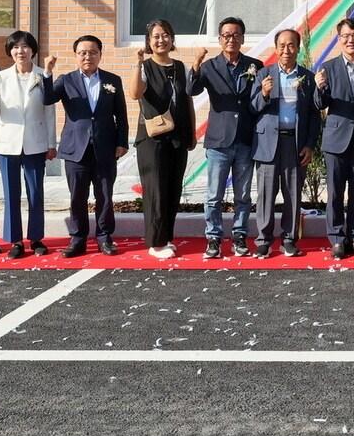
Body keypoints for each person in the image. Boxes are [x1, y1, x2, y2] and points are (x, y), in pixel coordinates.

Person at [43, 35, 129, 257]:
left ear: (100, 54)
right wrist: (47, 73)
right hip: (75, 149)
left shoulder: (112, 80)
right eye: (82, 52)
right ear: (76, 56)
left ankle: (104, 237)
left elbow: (121, 114)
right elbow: (47, 98)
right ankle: (78, 238)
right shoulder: (66, 80)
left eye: (92, 52)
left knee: (105, 196)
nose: (87, 56)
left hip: (105, 148)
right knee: (77, 197)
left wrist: (122, 142)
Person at [189, 16, 262, 259]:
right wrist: (196, 63)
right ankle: (213, 238)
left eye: (236, 35)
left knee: (243, 195)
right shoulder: (209, 66)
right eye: (226, 35)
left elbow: (258, 100)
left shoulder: (255, 65)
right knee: (214, 195)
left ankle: (240, 236)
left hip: (245, 139)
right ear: (220, 39)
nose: (231, 39)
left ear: (242, 38)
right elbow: (191, 90)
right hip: (219, 140)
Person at [0, 30, 57, 259]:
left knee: (35, 192)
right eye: (15, 47)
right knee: (11, 194)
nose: (20, 51)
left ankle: (36, 238)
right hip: (8, 143)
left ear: (32, 50)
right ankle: (15, 241)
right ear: (10, 51)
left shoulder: (43, 76)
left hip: (35, 141)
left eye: (25, 47)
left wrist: (51, 143)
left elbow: (50, 111)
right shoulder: (0, 77)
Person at [313, 17, 354, 259]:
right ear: (339, 39)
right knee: (334, 193)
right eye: (345, 36)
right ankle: (336, 239)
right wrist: (319, 88)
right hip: (336, 138)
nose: (350, 40)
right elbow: (321, 104)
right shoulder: (328, 68)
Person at [128, 19, 196, 260]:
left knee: (172, 189)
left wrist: (192, 132)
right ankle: (155, 243)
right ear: (149, 41)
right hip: (152, 138)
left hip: (177, 137)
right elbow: (135, 93)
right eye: (156, 36)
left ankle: (166, 236)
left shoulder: (180, 67)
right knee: (155, 189)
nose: (161, 40)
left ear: (172, 38)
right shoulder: (145, 66)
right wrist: (137, 64)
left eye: (165, 35)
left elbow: (187, 100)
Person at [251, 29, 320, 258]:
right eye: (282, 45)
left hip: (295, 142)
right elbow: (252, 107)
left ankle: (289, 239)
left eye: (291, 45)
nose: (286, 50)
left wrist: (310, 145)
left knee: (292, 193)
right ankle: (264, 240)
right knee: (266, 194)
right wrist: (264, 93)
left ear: (298, 48)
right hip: (268, 142)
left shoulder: (307, 78)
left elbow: (313, 115)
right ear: (275, 47)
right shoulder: (264, 74)